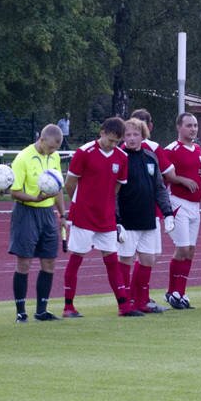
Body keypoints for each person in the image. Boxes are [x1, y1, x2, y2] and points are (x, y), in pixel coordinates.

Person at [60, 117, 134, 316]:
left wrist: (106, 202)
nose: (112, 145)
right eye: (110, 140)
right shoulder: (84, 152)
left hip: (106, 217)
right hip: (83, 216)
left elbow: (118, 186)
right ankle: (68, 306)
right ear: (102, 133)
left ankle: (123, 306)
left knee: (112, 260)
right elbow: (70, 183)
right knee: (77, 258)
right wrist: (81, 202)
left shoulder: (122, 157)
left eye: (116, 142)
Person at [116, 117, 177, 314]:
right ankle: (125, 303)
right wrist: (116, 220)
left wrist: (168, 213)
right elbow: (113, 192)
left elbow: (159, 187)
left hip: (148, 218)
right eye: (128, 135)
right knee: (125, 260)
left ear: (143, 136)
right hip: (127, 220)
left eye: (136, 134)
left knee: (148, 259)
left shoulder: (151, 157)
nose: (132, 138)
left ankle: (141, 301)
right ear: (123, 137)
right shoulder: (119, 157)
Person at [7, 124, 65, 322]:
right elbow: (14, 192)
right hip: (26, 212)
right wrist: (34, 198)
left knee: (49, 261)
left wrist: (62, 215)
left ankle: (41, 311)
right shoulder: (23, 158)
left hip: (47, 214)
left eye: (56, 149)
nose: (52, 152)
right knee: (24, 262)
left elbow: (58, 188)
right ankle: (21, 312)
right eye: (50, 147)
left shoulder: (54, 157)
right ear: (41, 140)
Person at [161, 113, 201, 309]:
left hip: (195, 205)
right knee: (183, 248)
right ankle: (172, 292)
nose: (193, 129)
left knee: (191, 250)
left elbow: (197, 170)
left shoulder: (197, 149)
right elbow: (165, 176)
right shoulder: (171, 150)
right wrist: (181, 180)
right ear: (179, 127)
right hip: (178, 203)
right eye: (189, 125)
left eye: (195, 125)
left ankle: (181, 292)